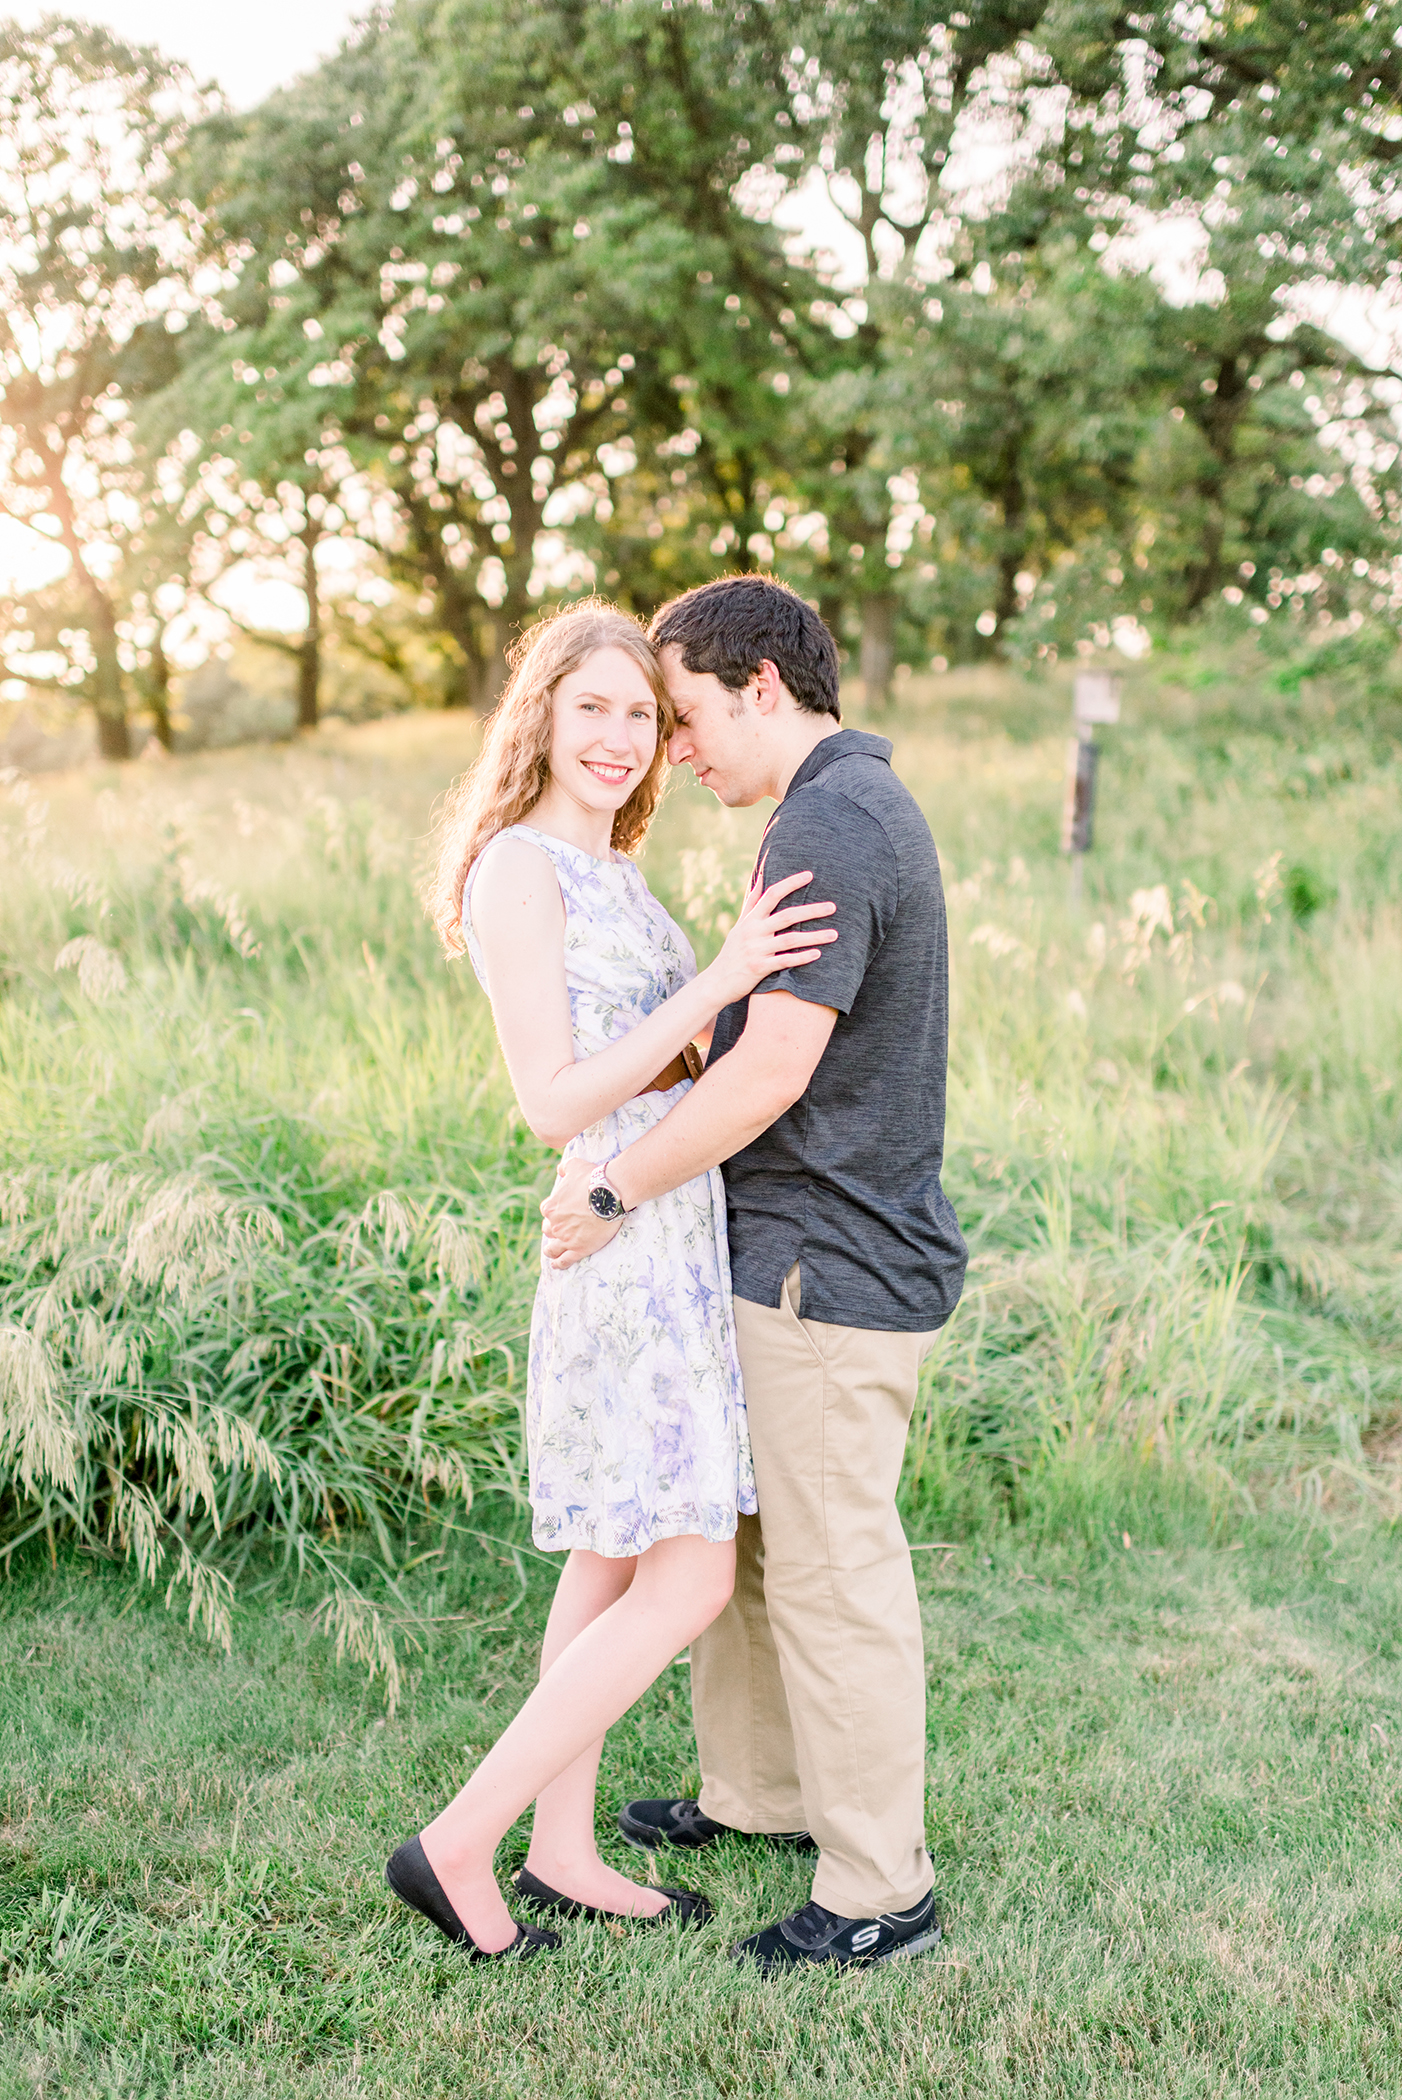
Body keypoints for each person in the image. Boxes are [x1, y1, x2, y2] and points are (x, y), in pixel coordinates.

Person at [384, 600, 837, 1963]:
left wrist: (728, 1021)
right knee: (687, 1576)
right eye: (592, 707)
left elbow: (663, 1065)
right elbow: (550, 1099)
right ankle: (461, 1839)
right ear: (540, 715)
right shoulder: (519, 869)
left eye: (642, 714)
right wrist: (719, 985)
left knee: (614, 1551)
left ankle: (565, 1847)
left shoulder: (619, 876)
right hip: (619, 1239)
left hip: (668, 1231)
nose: (620, 735)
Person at [542, 575, 967, 1974]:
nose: (674, 752)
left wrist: (615, 1183)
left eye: (684, 718)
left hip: (826, 1271)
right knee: (748, 1553)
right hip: (780, 1255)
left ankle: (876, 1889)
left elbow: (773, 1069)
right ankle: (758, 1796)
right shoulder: (831, 807)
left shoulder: (833, 824)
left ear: (760, 687)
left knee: (833, 1575)